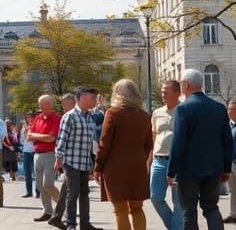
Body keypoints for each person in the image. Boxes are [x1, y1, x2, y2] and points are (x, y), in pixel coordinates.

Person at [167, 69, 232, 230]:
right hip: (214, 168)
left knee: (188, 211)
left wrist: (171, 171)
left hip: (188, 170)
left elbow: (178, 142)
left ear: (186, 84)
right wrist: (227, 168)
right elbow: (227, 140)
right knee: (211, 207)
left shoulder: (183, 109)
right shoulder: (219, 108)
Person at [93, 79, 152, 230]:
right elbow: (148, 145)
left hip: (115, 169)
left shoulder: (113, 113)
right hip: (138, 168)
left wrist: (98, 167)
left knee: (120, 211)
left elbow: (104, 143)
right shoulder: (145, 116)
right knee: (137, 209)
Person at [54, 87, 99, 230]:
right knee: (72, 194)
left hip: (85, 162)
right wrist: (58, 159)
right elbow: (62, 138)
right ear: (83, 98)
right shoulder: (69, 116)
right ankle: (71, 224)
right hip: (71, 162)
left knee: (85, 193)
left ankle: (85, 224)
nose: (95, 101)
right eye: (93, 98)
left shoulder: (90, 117)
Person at [148, 80, 183, 230]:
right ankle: (174, 227)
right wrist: (148, 160)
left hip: (177, 162)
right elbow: (153, 137)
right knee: (155, 197)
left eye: (166, 92)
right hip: (158, 161)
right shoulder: (157, 113)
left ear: (177, 93)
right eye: (162, 92)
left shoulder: (184, 111)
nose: (163, 94)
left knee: (178, 203)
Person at [29, 95, 61, 223]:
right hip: (37, 154)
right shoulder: (37, 118)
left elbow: (51, 138)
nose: (40, 107)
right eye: (39, 104)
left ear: (50, 105)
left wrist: (36, 136)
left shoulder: (56, 118)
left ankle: (63, 206)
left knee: (48, 184)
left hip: (50, 154)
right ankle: (47, 211)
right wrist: (41, 136)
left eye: (42, 104)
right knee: (40, 186)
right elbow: (28, 136)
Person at [21, 113, 37, 198]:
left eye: (31, 117)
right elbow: (22, 141)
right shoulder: (24, 128)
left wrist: (31, 134)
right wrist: (25, 134)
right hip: (26, 151)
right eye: (27, 118)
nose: (29, 119)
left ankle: (38, 192)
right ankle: (29, 192)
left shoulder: (37, 126)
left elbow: (37, 138)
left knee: (37, 172)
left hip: (35, 150)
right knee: (27, 172)